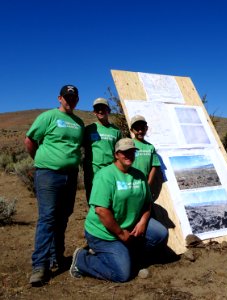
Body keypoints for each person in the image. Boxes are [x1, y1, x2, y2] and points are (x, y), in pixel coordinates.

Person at [69, 138, 168, 282]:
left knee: (160, 234)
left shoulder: (139, 175)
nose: (129, 155)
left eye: (132, 152)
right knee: (122, 274)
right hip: (104, 232)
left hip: (130, 226)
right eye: (124, 152)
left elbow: (147, 202)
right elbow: (101, 210)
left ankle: (127, 254)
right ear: (116, 154)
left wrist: (143, 221)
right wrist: (121, 234)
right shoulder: (105, 176)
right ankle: (82, 260)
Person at [24, 85, 84, 286]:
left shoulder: (79, 122)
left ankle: (57, 256)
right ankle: (40, 266)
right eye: (67, 97)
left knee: (64, 216)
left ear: (77, 100)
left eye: (73, 97)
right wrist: (41, 161)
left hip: (71, 175)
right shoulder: (48, 117)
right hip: (48, 175)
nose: (70, 100)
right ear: (60, 98)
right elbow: (30, 140)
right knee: (47, 217)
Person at [83, 98, 122, 202]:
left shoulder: (116, 131)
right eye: (97, 108)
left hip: (111, 172)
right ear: (94, 112)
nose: (100, 111)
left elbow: (119, 153)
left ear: (108, 110)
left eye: (103, 108)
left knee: (111, 200)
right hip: (92, 173)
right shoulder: (89, 129)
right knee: (93, 201)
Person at [129, 115, 160, 186]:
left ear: (146, 128)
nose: (140, 131)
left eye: (142, 128)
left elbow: (154, 166)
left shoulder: (150, 147)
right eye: (137, 128)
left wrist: (148, 184)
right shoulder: (128, 145)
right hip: (131, 184)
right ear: (131, 130)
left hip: (145, 184)